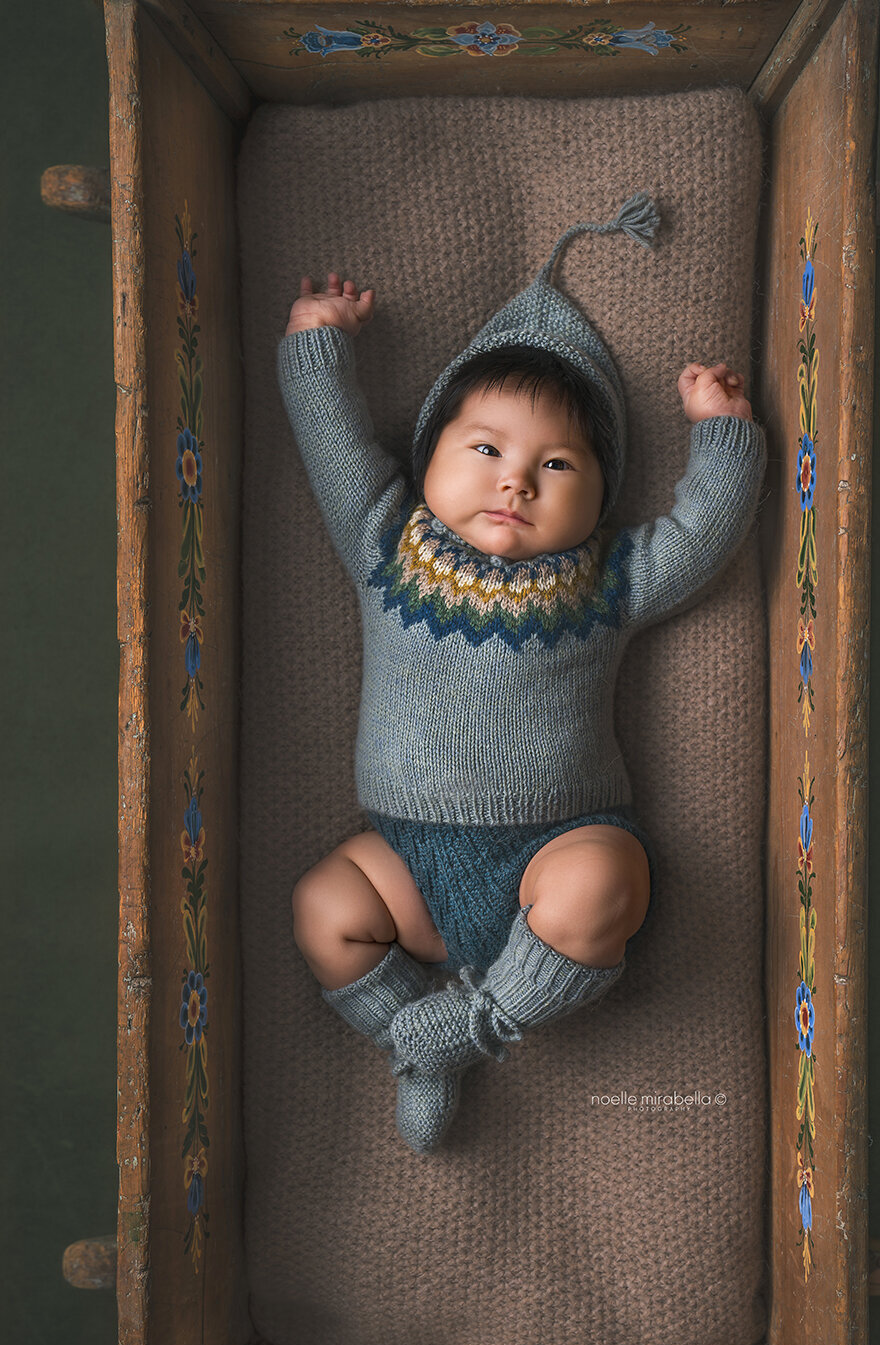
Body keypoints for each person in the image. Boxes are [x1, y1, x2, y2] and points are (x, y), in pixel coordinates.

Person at [278, 194, 766, 1155]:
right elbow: (332, 446)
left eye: (557, 466)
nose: (515, 481)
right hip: (407, 857)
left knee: (603, 885)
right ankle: (423, 1046)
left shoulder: (608, 578)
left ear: (598, 498)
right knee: (323, 908)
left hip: (555, 847)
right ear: (427, 462)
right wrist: (315, 341)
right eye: (487, 449)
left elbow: (703, 538)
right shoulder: (386, 543)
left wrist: (722, 434)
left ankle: (469, 1027)